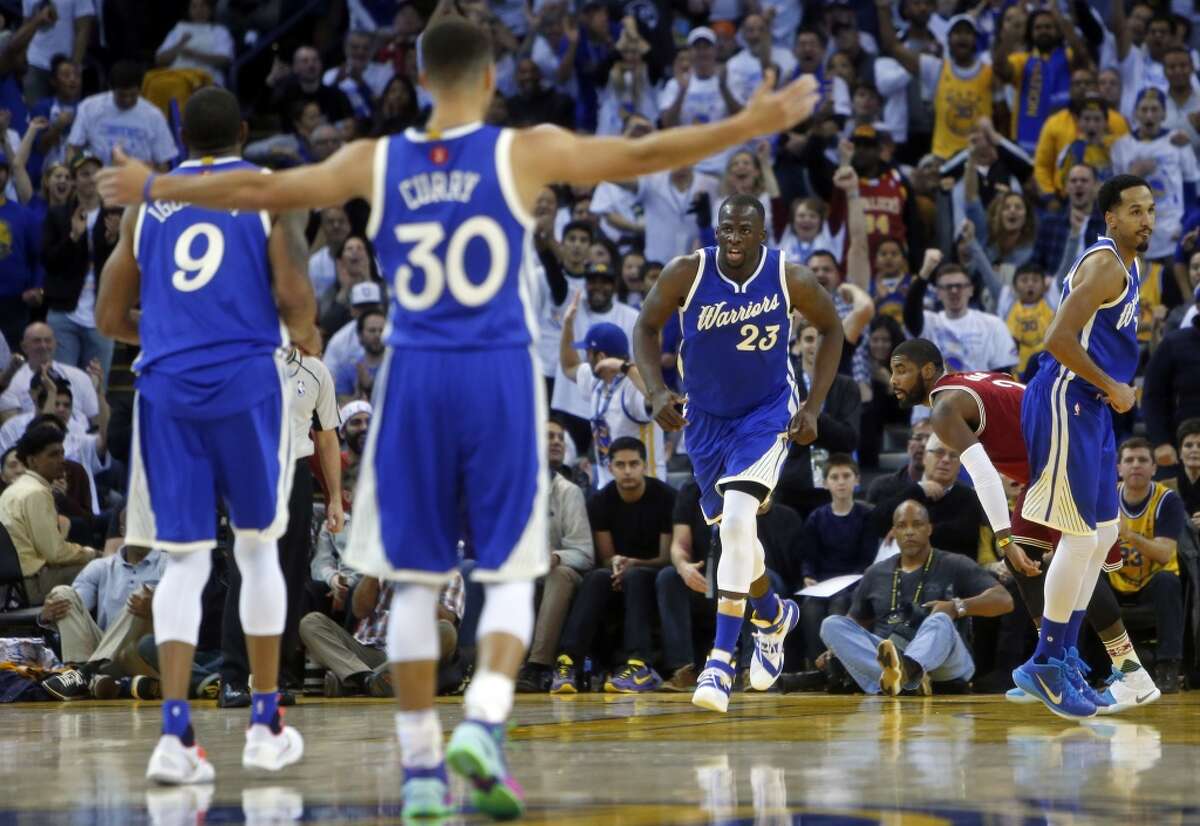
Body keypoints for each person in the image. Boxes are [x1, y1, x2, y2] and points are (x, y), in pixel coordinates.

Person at [97, 11, 820, 817]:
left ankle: (417, 765)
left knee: (412, 581)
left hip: (412, 375)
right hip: (496, 371)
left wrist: (154, 187)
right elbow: (644, 154)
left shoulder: (379, 156)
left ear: (418, 71)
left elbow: (268, 189)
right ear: (488, 79)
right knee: (510, 570)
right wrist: (752, 122)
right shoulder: (520, 151)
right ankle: (481, 723)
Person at [94, 88, 321, 783]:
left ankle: (174, 738)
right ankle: (263, 723)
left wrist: (162, 336)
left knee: (186, 562)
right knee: (257, 552)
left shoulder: (147, 200)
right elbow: (296, 302)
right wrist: (291, 334)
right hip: (244, 382)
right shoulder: (263, 192)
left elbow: (107, 314)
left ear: (181, 136)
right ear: (245, 133)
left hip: (164, 387)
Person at [633, 191, 844, 713]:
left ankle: (721, 661)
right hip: (704, 420)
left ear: (761, 234)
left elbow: (833, 327)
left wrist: (813, 407)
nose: (732, 239)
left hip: (767, 413)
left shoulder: (787, 277)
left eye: (742, 231)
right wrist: (656, 390)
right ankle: (771, 614)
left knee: (737, 521)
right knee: (738, 534)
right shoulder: (688, 271)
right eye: (725, 229)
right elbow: (644, 326)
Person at [889, 338, 1160, 714]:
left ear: (930, 370)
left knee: (1073, 561)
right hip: (1074, 446)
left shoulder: (944, 407)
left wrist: (1002, 537)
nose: (893, 380)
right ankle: (1054, 662)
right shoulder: (972, 380)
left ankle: (1126, 671)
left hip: (1061, 457)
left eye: (901, 369)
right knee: (1033, 560)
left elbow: (983, 475)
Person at [1012, 175, 1151, 720]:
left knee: (1105, 533)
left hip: (1090, 404)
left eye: (1151, 209)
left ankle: (1067, 654)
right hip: (1067, 398)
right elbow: (1057, 340)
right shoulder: (1105, 265)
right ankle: (1045, 659)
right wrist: (1114, 384)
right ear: (1110, 218)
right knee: (1078, 534)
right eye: (1135, 211)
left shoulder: (1130, 263)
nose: (1147, 219)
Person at [819, 500, 1013, 695]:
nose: (909, 531)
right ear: (893, 532)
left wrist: (957, 607)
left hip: (945, 664)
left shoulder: (955, 563)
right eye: (902, 526)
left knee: (940, 619)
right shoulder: (876, 572)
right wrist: (836, 649)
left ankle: (907, 673)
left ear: (929, 529)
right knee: (831, 625)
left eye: (917, 524)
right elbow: (855, 622)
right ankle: (901, 679)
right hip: (889, 652)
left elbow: (1004, 600)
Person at [1108, 438, 1187, 693]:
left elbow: (1164, 554)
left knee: (1168, 581)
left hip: (1152, 582)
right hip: (1115, 579)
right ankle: (1095, 667)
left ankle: (1168, 667)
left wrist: (1128, 534)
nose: (1136, 465)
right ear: (1119, 468)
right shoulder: (1106, 496)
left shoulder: (1168, 500)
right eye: (1129, 460)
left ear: (1154, 468)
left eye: (1143, 460)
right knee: (1087, 582)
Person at [559, 294, 663, 486]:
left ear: (600, 357)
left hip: (645, 488)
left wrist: (624, 367)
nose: (585, 358)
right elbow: (569, 366)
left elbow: (657, 399)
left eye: (587, 353)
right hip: (610, 487)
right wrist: (567, 325)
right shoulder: (597, 380)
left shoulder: (632, 387)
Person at [0, 423, 97, 603]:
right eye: (53, 454)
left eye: (62, 452)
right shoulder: (36, 492)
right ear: (31, 460)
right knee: (101, 568)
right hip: (30, 587)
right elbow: (55, 553)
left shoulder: (13, 490)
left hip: (11, 588)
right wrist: (91, 553)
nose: (62, 460)